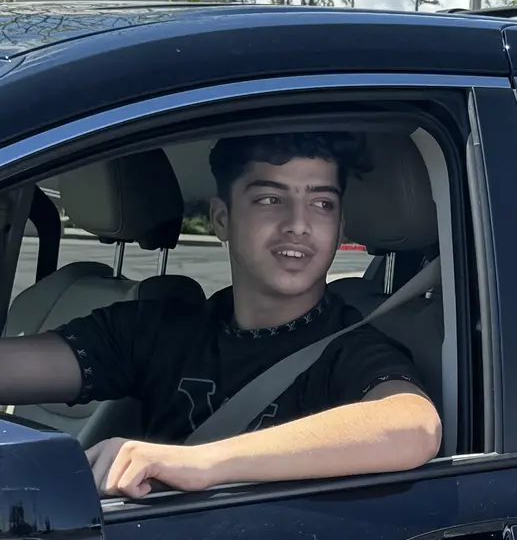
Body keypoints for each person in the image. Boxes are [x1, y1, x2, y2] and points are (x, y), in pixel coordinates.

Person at [0, 132, 441, 495]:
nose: (299, 224)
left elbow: (413, 427)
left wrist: (201, 463)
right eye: (271, 199)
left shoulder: (349, 346)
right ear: (221, 219)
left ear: (341, 227)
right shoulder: (159, 328)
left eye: (322, 204)